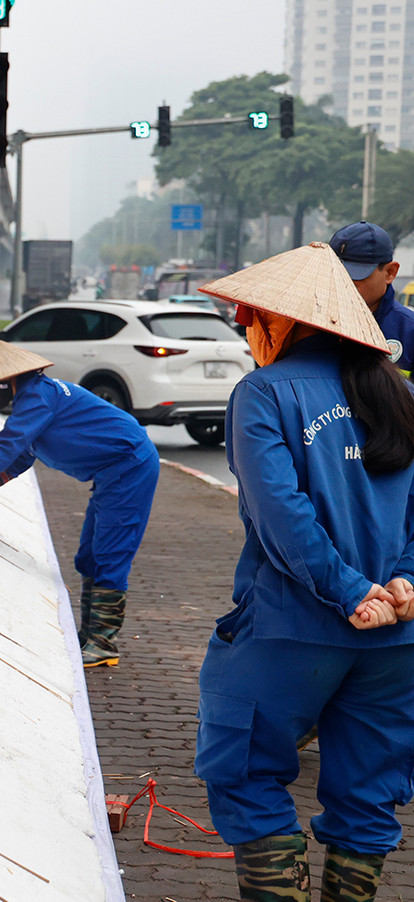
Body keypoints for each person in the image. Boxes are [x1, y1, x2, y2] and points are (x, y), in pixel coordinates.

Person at [192, 241, 414, 901]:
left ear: (282, 321)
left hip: (294, 629)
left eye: (250, 317)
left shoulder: (262, 393)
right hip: (396, 639)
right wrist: (403, 583)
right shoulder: (401, 394)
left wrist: (350, 592)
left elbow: (280, 514)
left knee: (243, 771)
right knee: (368, 796)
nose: (247, 329)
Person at [0, 338, 159, 667]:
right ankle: (89, 634)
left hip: (130, 467)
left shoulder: (37, 397)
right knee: (88, 555)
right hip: (111, 473)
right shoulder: (36, 396)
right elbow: (23, 454)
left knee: (110, 552)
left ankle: (103, 644)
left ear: (4, 380)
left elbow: (8, 445)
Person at [331, 220, 414, 374]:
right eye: (337, 273)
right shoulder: (309, 325)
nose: (345, 282)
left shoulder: (409, 331)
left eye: (356, 275)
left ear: (390, 272)